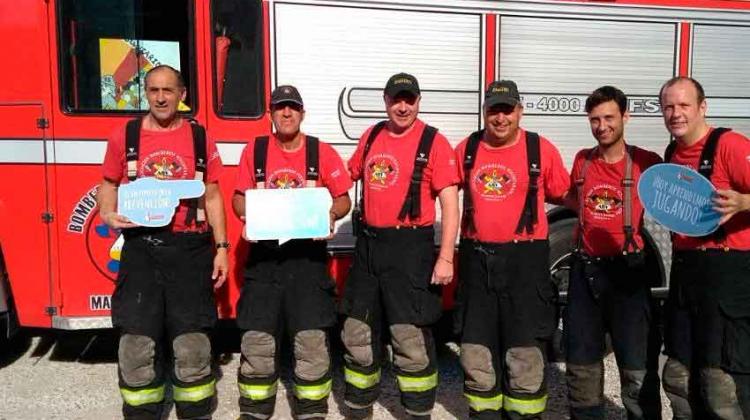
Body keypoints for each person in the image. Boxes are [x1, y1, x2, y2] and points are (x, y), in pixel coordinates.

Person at [97, 65, 228, 420]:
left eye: (168, 90)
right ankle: (142, 412)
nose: (160, 97)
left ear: (182, 94)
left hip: (190, 251)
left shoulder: (201, 139)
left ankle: (195, 410)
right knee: (136, 341)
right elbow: (107, 183)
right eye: (153, 89)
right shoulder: (123, 136)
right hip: (141, 251)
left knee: (191, 342)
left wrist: (222, 249)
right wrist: (108, 214)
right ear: (146, 93)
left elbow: (213, 197)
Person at [340, 72, 459, 419]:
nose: (402, 106)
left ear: (419, 101)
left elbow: (450, 205)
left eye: (409, 99)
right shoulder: (372, 134)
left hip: (411, 250)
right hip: (369, 247)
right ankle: (359, 406)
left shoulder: (434, 142)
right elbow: (343, 177)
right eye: (396, 99)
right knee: (356, 330)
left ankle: (417, 410)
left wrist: (446, 257)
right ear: (386, 101)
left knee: (409, 336)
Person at [231, 85, 352, 420]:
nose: (286, 113)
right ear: (270, 113)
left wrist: (330, 214)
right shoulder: (253, 151)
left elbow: (344, 199)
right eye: (280, 107)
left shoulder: (321, 152)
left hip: (307, 263)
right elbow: (238, 197)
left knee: (311, 341)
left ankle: (311, 411)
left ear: (302, 113)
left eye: (292, 108)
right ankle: (255, 411)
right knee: (257, 340)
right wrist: (247, 215)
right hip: (265, 262)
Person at [453, 80, 569, 419]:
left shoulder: (540, 149)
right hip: (477, 261)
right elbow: (440, 189)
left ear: (519, 111)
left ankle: (524, 413)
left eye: (507, 110)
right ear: (484, 112)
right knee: (476, 348)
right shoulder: (467, 148)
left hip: (525, 263)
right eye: (493, 110)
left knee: (525, 349)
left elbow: (569, 195)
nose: (500, 118)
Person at [564, 86, 662, 419]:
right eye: (594, 119)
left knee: (637, 367)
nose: (601, 126)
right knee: (581, 365)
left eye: (609, 117)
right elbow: (569, 200)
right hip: (586, 271)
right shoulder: (582, 160)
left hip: (630, 272)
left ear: (625, 116)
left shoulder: (648, 163)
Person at [660, 76, 750, 419]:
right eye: (668, 106)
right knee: (680, 378)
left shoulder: (730, 145)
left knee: (721, 383)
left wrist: (743, 201)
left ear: (703, 107)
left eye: (684, 105)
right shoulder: (673, 153)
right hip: (686, 276)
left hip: (728, 278)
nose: (676, 113)